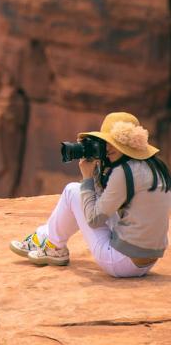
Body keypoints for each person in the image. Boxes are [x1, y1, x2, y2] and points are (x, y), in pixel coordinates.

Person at [10, 111, 171, 277]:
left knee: (72, 191)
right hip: (148, 262)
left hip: (121, 263)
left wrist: (87, 177)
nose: (107, 148)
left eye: (113, 142)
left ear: (127, 143)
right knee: (85, 197)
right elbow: (111, 204)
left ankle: (52, 245)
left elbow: (94, 219)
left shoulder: (123, 173)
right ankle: (46, 237)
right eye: (105, 142)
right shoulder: (156, 167)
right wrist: (98, 172)